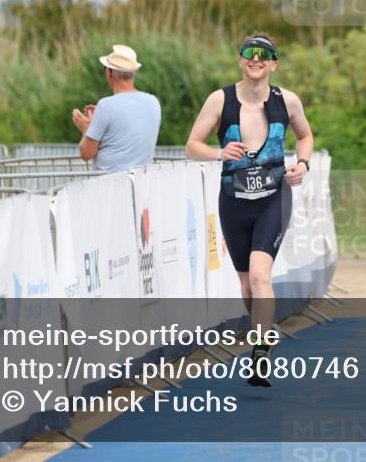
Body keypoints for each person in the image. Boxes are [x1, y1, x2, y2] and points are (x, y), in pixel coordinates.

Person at [185, 34, 313, 387]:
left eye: (263, 54)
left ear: (274, 64)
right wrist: (219, 153)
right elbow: (191, 146)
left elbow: (305, 136)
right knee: (246, 285)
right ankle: (263, 329)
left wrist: (303, 164)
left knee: (259, 276)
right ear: (240, 60)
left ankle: (260, 353)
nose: (256, 59)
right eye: (249, 53)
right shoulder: (220, 100)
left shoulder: (287, 101)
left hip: (274, 197)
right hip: (234, 200)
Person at [72, 44, 161, 172]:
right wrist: (101, 119)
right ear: (134, 73)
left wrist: (87, 129)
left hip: (109, 182)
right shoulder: (153, 102)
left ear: (109, 72)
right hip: (143, 181)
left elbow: (86, 154)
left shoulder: (106, 106)